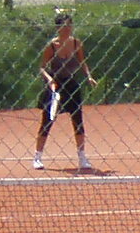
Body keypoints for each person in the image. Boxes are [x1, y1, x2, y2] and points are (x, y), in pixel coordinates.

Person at [33, 10, 96, 172]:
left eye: (70, 25)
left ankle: (82, 158)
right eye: (65, 26)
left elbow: (83, 62)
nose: (68, 29)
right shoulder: (52, 46)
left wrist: (89, 76)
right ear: (58, 28)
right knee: (47, 121)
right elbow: (42, 67)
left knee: (78, 121)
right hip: (55, 86)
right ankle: (37, 157)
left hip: (71, 85)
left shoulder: (76, 43)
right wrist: (50, 80)